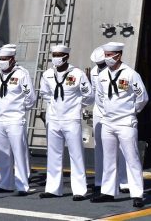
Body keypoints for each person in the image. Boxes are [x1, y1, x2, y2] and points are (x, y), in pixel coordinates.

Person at [92, 41, 148, 208]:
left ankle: (137, 193)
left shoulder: (130, 74)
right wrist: (106, 112)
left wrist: (131, 111)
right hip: (108, 121)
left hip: (125, 121)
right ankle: (108, 191)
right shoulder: (102, 75)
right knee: (109, 158)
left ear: (119, 55)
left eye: (110, 55)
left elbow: (142, 98)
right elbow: (100, 97)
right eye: (106, 55)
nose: (108, 58)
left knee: (132, 158)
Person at [38, 44, 92, 201]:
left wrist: (76, 106)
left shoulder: (77, 74)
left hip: (71, 119)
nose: (55, 58)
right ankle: (53, 189)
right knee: (53, 155)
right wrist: (54, 105)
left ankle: (80, 190)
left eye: (59, 55)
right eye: (54, 54)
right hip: (53, 119)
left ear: (66, 56)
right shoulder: (47, 74)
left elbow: (89, 95)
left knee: (76, 155)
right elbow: (44, 93)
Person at [0, 44, 34, 195]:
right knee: (2, 153)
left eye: (5, 59)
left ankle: (22, 185)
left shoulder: (21, 74)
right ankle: (5, 183)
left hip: (15, 119)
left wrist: (19, 109)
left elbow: (30, 97)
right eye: (0, 59)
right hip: (0, 119)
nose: (2, 61)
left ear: (12, 59)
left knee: (19, 152)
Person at [88, 46, 126, 194]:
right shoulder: (93, 72)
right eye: (98, 64)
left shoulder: (120, 72)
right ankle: (100, 180)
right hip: (99, 110)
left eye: (102, 64)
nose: (100, 67)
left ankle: (123, 181)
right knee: (99, 146)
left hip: (115, 111)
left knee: (121, 148)